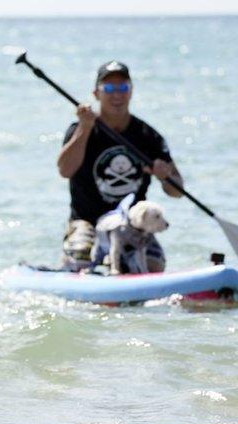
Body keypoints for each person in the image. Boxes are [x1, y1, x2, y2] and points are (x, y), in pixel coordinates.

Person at [57, 61, 184, 272]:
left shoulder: (147, 136)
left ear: (131, 91)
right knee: (79, 261)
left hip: (132, 223)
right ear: (96, 94)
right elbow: (64, 170)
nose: (117, 95)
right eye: (109, 88)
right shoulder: (80, 129)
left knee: (153, 265)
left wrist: (165, 176)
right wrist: (85, 128)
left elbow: (177, 191)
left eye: (123, 88)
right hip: (87, 220)